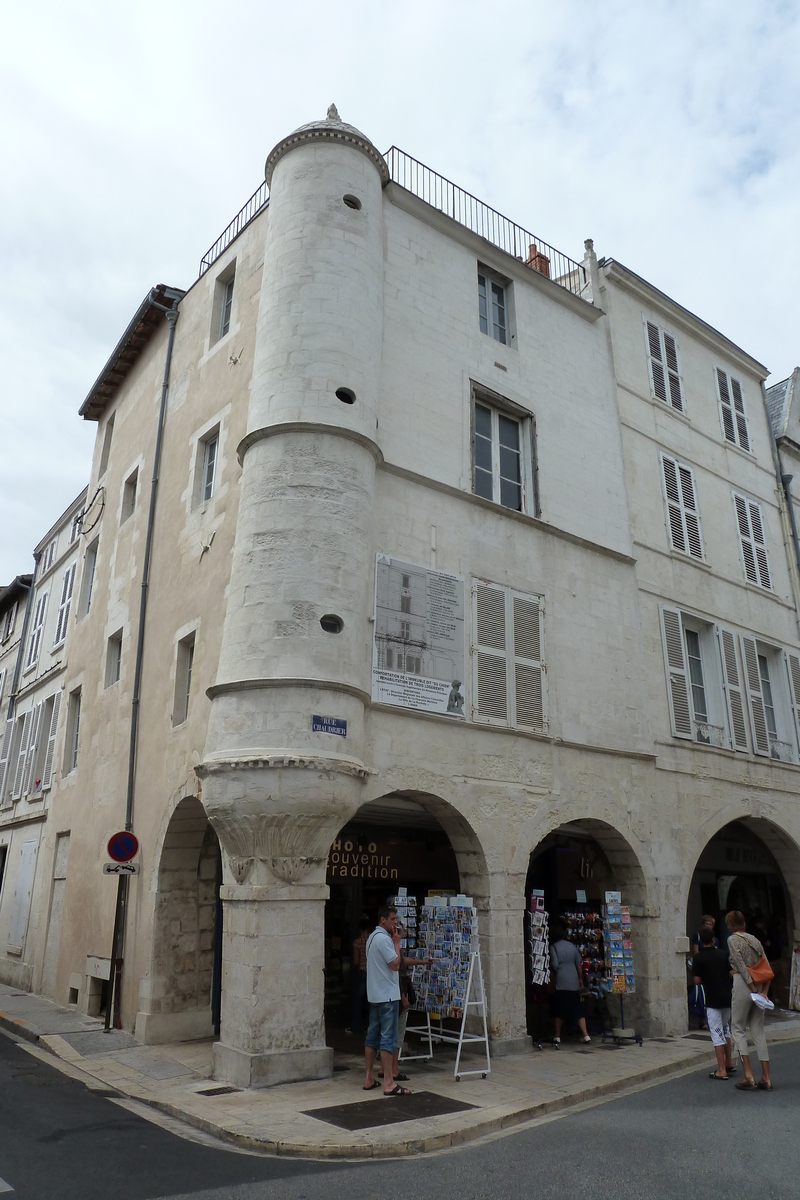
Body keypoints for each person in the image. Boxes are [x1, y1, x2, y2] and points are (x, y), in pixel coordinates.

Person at [362, 906, 410, 1096]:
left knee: (372, 1037)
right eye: (392, 919)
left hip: (374, 994)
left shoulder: (372, 938)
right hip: (387, 996)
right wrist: (397, 943)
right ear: (383, 920)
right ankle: (389, 1082)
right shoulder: (384, 940)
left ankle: (369, 1077)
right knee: (388, 1039)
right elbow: (395, 964)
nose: (395, 923)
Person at [726, 910, 772, 1092]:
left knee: (737, 1027)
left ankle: (748, 1075)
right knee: (758, 1029)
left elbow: (740, 966)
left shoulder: (732, 940)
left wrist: (752, 990)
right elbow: (766, 965)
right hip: (761, 984)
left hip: (744, 984)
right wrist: (764, 992)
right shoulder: (754, 939)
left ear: (730, 924)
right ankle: (766, 1077)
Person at [692, 927, 735, 1080]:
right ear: (713, 939)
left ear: (702, 942)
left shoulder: (699, 958)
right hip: (726, 996)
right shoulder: (723, 954)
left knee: (717, 1034)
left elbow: (697, 980)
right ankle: (729, 1062)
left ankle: (721, 1069)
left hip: (712, 999)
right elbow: (731, 974)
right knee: (726, 1030)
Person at [549, 920, 590, 1044]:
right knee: (577, 1008)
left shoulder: (554, 947)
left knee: (559, 1008)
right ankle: (586, 1034)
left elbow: (555, 965)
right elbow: (579, 963)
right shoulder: (572, 946)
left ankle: (557, 1035)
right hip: (573, 978)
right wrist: (580, 978)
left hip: (561, 979)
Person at [346, 917, 371, 1035]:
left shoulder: (357, 942)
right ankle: (370, 1026)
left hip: (362, 972)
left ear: (360, 929)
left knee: (357, 1001)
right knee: (371, 1002)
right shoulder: (373, 940)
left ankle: (355, 1027)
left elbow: (356, 961)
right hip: (373, 974)